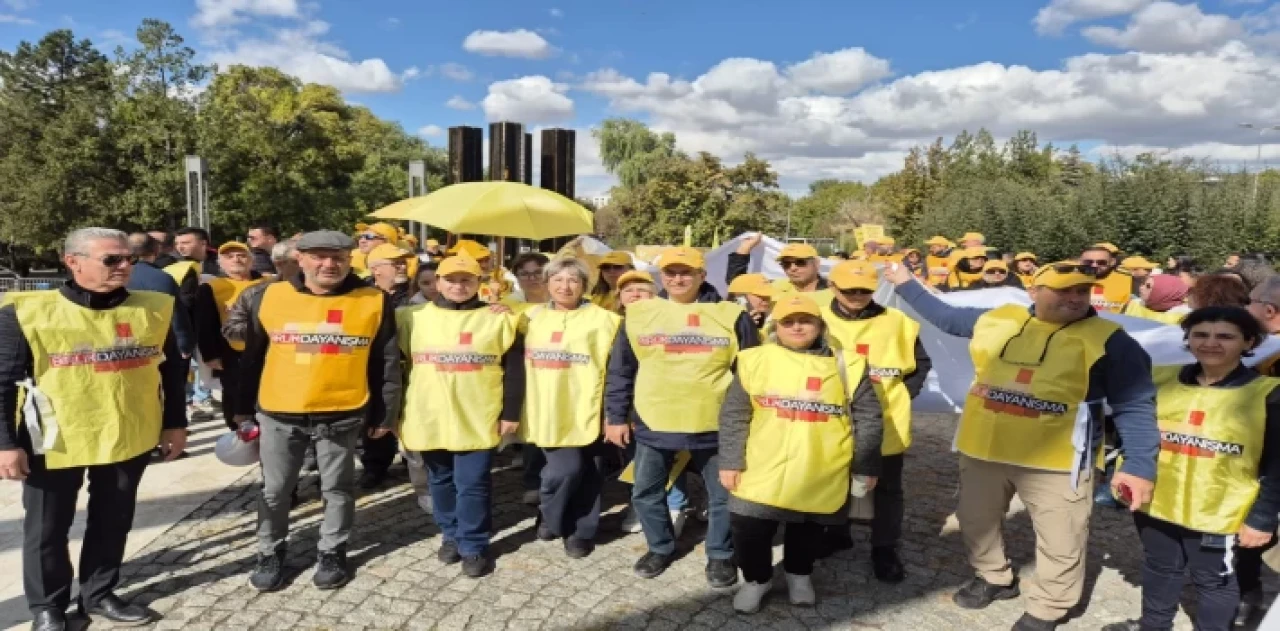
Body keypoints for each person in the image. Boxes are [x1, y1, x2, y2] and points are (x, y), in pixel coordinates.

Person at [886, 261, 1160, 631]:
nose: (1075, 297)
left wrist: (1140, 464)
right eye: (1062, 290)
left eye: (1082, 290)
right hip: (984, 447)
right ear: (1034, 291)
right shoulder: (1000, 319)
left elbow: (1135, 403)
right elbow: (946, 317)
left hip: (1060, 459)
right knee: (975, 520)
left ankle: (1048, 608)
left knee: (1062, 537)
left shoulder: (1111, 340)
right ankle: (995, 577)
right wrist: (904, 283)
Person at [0, 227, 188, 631]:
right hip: (54, 438)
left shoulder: (155, 306)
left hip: (129, 432)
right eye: (112, 260)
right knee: (47, 529)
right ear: (73, 261)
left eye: (128, 259)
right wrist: (4, 444)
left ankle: (99, 594)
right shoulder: (27, 311)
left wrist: (175, 423)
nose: (124, 267)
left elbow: (173, 370)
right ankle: (47, 608)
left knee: (113, 520)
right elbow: (2, 380)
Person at [236, 230, 401, 593]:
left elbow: (385, 362)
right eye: (320, 256)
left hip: (342, 408)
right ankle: (270, 551)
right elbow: (251, 357)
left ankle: (332, 550)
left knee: (338, 488)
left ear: (350, 259)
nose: (330, 264)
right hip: (279, 408)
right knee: (276, 490)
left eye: (338, 257)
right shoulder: (269, 295)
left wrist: (385, 414)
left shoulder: (372, 300)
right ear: (300, 258)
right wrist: (239, 410)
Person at [1102, 307, 1280, 631]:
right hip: (1157, 500)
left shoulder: (1268, 394)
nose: (1210, 343)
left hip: (1221, 511)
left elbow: (1277, 466)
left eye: (1225, 336)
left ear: (1248, 341)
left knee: (1213, 580)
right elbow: (1125, 426)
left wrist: (1263, 519)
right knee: (1159, 566)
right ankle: (1153, 626)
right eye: (1200, 334)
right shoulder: (1159, 378)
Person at [604, 246, 761, 587]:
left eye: (686, 272)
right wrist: (615, 416)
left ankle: (720, 555)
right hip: (654, 419)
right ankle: (660, 546)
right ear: (662, 276)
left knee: (723, 495)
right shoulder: (640, 313)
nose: (678, 278)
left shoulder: (732, 315)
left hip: (714, 423)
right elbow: (621, 369)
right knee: (645, 491)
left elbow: (753, 373)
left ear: (702, 275)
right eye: (671, 272)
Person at [719, 294, 884, 613]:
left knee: (808, 529)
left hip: (820, 464)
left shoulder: (847, 364)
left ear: (820, 325)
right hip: (761, 463)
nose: (797, 327)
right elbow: (735, 414)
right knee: (748, 527)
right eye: (788, 321)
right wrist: (729, 460)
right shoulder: (754, 359)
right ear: (775, 326)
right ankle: (756, 579)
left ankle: (799, 575)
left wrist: (865, 466)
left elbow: (868, 417)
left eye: (805, 320)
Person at [396, 252, 524, 578]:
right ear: (437, 282)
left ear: (478, 283)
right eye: (450, 279)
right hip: (429, 413)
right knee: (439, 480)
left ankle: (474, 544)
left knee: (473, 483)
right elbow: (394, 368)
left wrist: (510, 412)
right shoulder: (410, 317)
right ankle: (450, 533)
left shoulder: (500, 319)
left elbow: (514, 370)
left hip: (478, 413)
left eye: (466, 279)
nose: (458, 285)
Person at [817, 260, 932, 582]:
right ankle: (837, 532)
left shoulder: (899, 322)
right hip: (830, 419)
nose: (856, 295)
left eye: (864, 290)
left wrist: (904, 396)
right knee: (835, 480)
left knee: (887, 489)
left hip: (886, 419)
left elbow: (920, 364)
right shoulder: (817, 320)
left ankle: (885, 548)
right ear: (832, 287)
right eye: (849, 290)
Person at [520, 258, 621, 558]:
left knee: (589, 472)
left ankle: (580, 532)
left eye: (573, 280)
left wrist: (614, 413)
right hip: (546, 408)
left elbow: (618, 370)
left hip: (590, 407)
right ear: (547, 283)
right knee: (563, 471)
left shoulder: (606, 320)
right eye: (558, 280)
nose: (565, 286)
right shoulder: (528, 317)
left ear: (584, 285)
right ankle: (551, 514)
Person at [358, 243, 416, 489]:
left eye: (403, 261)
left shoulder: (415, 292)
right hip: (375, 364)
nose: (402, 266)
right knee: (378, 412)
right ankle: (375, 466)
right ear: (376, 269)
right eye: (396, 263)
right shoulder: (362, 295)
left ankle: (412, 461)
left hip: (410, 364)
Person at [194, 242, 267, 431]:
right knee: (235, 391)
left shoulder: (269, 283)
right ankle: (238, 431)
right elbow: (205, 323)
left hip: (268, 348)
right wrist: (210, 354)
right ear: (220, 263)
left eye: (241, 255)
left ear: (251, 260)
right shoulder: (213, 287)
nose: (236, 259)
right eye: (229, 256)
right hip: (232, 351)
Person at [126, 232, 195, 359]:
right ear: (156, 251)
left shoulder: (114, 277)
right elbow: (176, 313)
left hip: (121, 343)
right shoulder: (163, 278)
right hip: (160, 344)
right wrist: (184, 343)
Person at [1079, 245, 1132, 313]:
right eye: (1088, 262)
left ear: (1112, 262)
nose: (1094, 265)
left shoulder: (1128, 280)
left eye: (1101, 262)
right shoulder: (1070, 279)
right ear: (1080, 261)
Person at [1121, 275, 1189, 325]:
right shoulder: (1134, 304)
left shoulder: (1182, 317)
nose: (1141, 287)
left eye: (1148, 286)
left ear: (1163, 292)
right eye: (1143, 284)